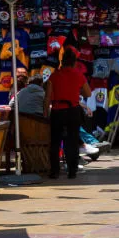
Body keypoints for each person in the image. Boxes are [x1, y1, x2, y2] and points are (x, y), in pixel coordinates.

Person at [44, 48, 91, 179]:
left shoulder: (54, 76)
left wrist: (45, 113)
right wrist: (76, 91)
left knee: (55, 142)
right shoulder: (78, 75)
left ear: (62, 61)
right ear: (74, 62)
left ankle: (54, 171)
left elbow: (47, 97)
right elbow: (88, 93)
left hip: (57, 110)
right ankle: (72, 170)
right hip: (73, 110)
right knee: (72, 141)